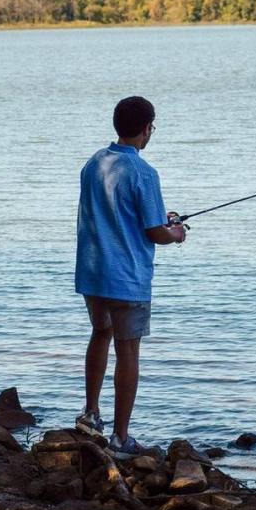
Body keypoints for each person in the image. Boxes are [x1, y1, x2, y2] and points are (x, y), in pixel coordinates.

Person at [74, 95, 187, 459]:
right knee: (128, 351)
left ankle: (90, 414)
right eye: (152, 126)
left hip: (93, 272)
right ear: (145, 129)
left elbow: (117, 213)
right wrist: (178, 232)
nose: (151, 132)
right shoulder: (143, 172)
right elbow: (155, 231)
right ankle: (121, 439)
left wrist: (160, 218)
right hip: (127, 277)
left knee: (100, 333)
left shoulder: (93, 164)